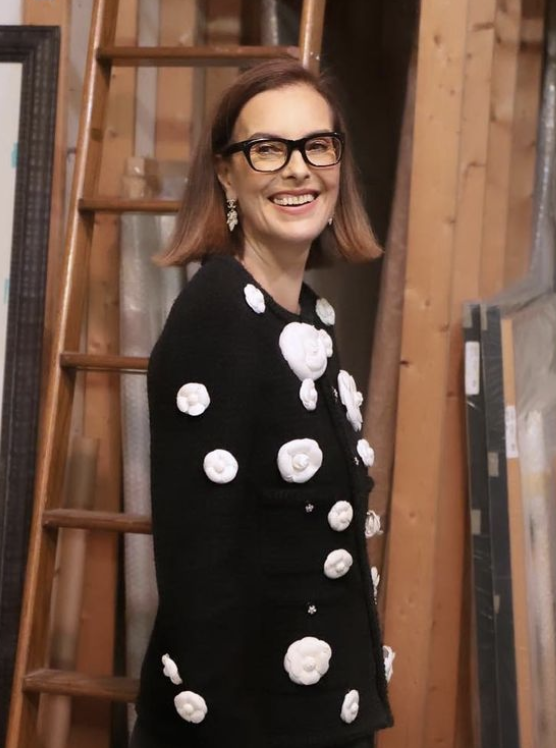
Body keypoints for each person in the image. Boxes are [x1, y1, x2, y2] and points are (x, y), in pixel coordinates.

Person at [131, 59, 393, 748]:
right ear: (226, 174)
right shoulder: (216, 319)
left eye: (317, 145)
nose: (298, 169)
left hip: (313, 715)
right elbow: (200, 577)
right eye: (268, 149)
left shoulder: (306, 315)